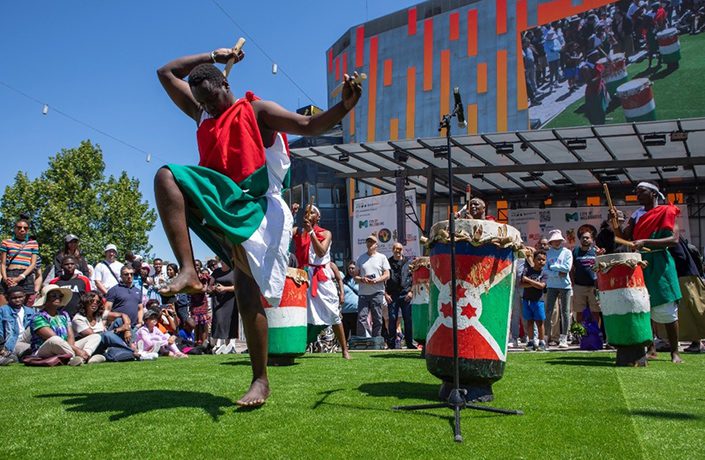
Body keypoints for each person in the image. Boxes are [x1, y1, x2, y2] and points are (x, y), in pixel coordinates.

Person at [156, 46, 361, 406]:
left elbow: (309, 126)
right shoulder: (202, 114)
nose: (206, 107)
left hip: (254, 207)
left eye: (210, 99)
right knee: (166, 177)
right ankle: (188, 270)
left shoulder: (256, 110)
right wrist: (212, 54)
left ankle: (260, 381)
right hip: (221, 199)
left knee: (247, 293)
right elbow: (165, 72)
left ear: (225, 87)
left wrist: (343, 107)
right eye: (201, 102)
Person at [611, 182, 683, 363]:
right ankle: (650, 348)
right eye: (636, 192)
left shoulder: (667, 211)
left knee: (666, 305)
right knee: (642, 304)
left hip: (660, 263)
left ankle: (675, 352)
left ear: (653, 193)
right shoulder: (636, 215)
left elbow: (674, 240)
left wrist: (645, 241)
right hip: (640, 262)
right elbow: (623, 238)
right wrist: (615, 223)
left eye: (641, 191)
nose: (637, 195)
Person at [293, 206, 350, 359]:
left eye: (311, 212)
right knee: (301, 314)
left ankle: (344, 349)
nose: (307, 214)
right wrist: (291, 214)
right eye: (305, 212)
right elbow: (282, 235)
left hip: (321, 275)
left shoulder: (326, 233)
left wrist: (311, 231)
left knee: (333, 311)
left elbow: (321, 252)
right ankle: (299, 346)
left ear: (318, 217)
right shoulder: (298, 232)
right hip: (304, 275)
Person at [29, 285, 102, 366]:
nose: (58, 298)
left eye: (60, 296)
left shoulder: (64, 315)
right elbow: (51, 337)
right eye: (53, 296)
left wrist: (75, 348)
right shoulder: (38, 317)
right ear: (46, 299)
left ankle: (84, 356)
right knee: (55, 339)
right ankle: (78, 358)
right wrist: (77, 350)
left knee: (96, 336)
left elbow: (70, 336)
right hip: (44, 349)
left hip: (67, 347)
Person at [72, 291, 137, 361]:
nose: (95, 303)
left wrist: (127, 329)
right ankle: (132, 351)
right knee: (106, 336)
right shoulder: (78, 318)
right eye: (92, 301)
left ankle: (132, 346)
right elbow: (95, 337)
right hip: (92, 345)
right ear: (85, 302)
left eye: (97, 302)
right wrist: (117, 330)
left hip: (106, 339)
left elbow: (123, 315)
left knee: (120, 321)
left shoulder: (98, 314)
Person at [355, 234, 390, 339]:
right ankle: (362, 339)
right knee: (361, 317)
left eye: (372, 242)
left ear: (376, 245)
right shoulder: (361, 258)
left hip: (377, 292)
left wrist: (376, 280)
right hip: (363, 293)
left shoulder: (382, 257)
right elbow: (355, 276)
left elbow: (387, 274)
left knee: (377, 318)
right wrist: (362, 279)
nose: (370, 244)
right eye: (368, 242)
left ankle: (377, 340)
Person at [544, 229, 573, 349]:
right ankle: (546, 337)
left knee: (565, 312)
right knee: (549, 311)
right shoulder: (548, 253)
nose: (557, 242)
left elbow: (567, 269)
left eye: (559, 240)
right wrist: (556, 272)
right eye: (554, 240)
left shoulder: (567, 252)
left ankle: (564, 338)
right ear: (551, 242)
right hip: (551, 285)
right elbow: (545, 270)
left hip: (565, 285)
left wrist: (553, 267)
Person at [0, 217, 39, 306]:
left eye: (25, 228)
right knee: (4, 306)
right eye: (19, 227)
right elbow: (2, 263)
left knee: (25, 308)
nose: (22, 230)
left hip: (26, 276)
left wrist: (20, 277)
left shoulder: (33, 243)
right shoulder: (6, 242)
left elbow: (33, 264)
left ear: (28, 230)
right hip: (10, 275)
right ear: (15, 229)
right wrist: (5, 278)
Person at [385, 242, 414, 349]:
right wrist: (385, 293)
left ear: (402, 250)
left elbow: (413, 278)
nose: (398, 251)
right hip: (392, 295)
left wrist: (411, 292)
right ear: (392, 250)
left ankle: (409, 343)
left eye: (400, 249)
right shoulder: (387, 262)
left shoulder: (409, 262)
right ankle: (391, 344)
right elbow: (384, 279)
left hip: (406, 294)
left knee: (408, 319)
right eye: (396, 249)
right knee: (392, 318)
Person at [104, 265, 144, 337]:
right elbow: (106, 311)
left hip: (134, 327)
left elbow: (140, 308)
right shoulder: (114, 290)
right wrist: (103, 325)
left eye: (131, 274)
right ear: (121, 276)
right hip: (118, 327)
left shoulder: (138, 291)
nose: (129, 276)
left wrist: (140, 322)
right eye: (126, 274)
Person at [0, 286, 36, 364]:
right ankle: (10, 354)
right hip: (13, 341)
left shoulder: (30, 311)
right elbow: (1, 331)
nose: (17, 300)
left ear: (24, 296)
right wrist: (2, 348)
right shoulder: (3, 310)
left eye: (20, 297)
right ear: (7, 298)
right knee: (29, 350)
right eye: (14, 298)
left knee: (37, 322)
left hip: (27, 338)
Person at [571, 231, 600, 326]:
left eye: (587, 237)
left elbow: (601, 267)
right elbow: (571, 269)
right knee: (579, 311)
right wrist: (573, 283)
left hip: (594, 286)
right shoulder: (575, 251)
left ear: (592, 239)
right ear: (579, 239)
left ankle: (596, 333)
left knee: (595, 311)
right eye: (583, 237)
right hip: (579, 286)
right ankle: (580, 334)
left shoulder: (596, 251)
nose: (585, 239)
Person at [209, 260, 238, 354]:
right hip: (218, 300)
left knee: (230, 321)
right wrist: (213, 288)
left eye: (224, 260)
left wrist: (224, 288)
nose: (222, 262)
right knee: (219, 321)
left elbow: (238, 286)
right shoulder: (216, 272)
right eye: (221, 260)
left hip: (230, 300)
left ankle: (230, 345)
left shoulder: (234, 271)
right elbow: (210, 285)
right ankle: (219, 344)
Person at [522, 251, 548, 351]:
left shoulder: (544, 273)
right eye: (539, 259)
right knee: (529, 321)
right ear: (533, 260)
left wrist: (528, 280)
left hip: (538, 300)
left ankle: (542, 342)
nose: (541, 261)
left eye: (543, 260)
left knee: (540, 322)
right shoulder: (527, 270)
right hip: (527, 299)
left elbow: (541, 286)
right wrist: (535, 284)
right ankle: (531, 341)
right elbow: (521, 284)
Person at [580, 49, 609, 125]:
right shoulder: (585, 68)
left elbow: (603, 70)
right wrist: (601, 75)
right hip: (592, 93)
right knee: (595, 113)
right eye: (597, 55)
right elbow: (589, 82)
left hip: (599, 88)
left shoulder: (596, 64)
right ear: (591, 57)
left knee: (601, 108)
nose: (598, 57)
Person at [189, 260, 211, 345]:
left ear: (200, 266)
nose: (196, 266)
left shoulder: (203, 276)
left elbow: (205, 289)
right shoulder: (190, 277)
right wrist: (197, 289)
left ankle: (204, 342)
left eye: (198, 265)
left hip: (202, 302)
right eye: (194, 265)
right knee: (196, 324)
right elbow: (189, 291)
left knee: (203, 324)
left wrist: (194, 289)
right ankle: (196, 342)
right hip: (194, 302)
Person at [341, 261, 359, 342]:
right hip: (345, 311)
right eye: (349, 268)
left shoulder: (359, 280)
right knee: (345, 333)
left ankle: (354, 347)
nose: (351, 270)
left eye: (353, 268)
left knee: (355, 332)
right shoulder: (343, 280)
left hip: (356, 310)